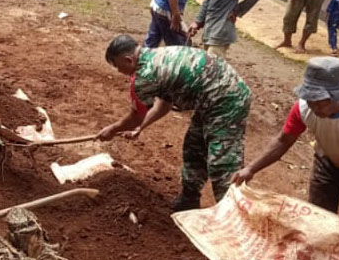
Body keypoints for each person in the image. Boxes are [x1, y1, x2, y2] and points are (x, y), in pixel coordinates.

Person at [232, 57, 339, 241]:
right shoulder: (304, 108)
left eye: (319, 101)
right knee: (317, 222)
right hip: (329, 163)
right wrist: (251, 169)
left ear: (338, 96)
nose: (313, 105)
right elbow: (283, 140)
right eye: (309, 98)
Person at [99, 35, 252, 211]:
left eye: (118, 67)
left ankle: (232, 215)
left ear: (128, 60)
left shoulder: (144, 76)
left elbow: (136, 115)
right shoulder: (155, 56)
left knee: (223, 162)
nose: (120, 72)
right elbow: (163, 105)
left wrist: (112, 129)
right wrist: (140, 128)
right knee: (194, 147)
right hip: (211, 97)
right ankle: (190, 198)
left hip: (227, 100)